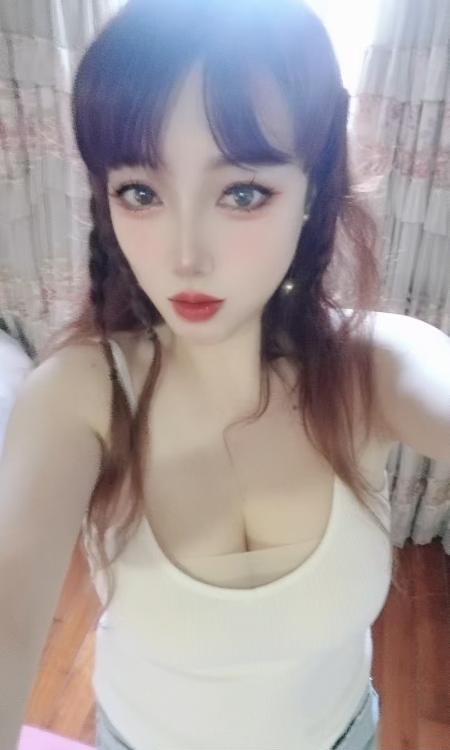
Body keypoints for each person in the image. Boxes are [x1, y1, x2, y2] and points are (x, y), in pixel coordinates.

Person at [2, 0, 399, 747]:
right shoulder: (79, 394)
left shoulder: (377, 367)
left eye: (242, 192)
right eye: (140, 192)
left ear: (312, 189)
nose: (185, 255)